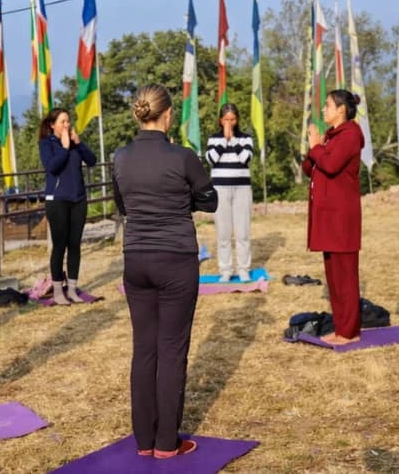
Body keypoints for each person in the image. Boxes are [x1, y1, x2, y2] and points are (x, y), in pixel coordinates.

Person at [113, 84, 217, 459]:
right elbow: (211, 200)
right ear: (168, 114)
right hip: (175, 258)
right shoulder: (183, 156)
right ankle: (166, 443)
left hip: (136, 258)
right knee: (171, 350)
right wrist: (182, 198)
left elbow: (122, 204)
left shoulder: (121, 157)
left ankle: (143, 440)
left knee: (144, 348)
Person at [301, 89, 365, 346]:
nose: (324, 110)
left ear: (341, 110)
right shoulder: (331, 136)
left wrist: (317, 148)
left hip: (342, 216)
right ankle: (341, 328)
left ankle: (350, 332)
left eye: (327, 105)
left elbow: (330, 165)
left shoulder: (350, 134)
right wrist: (313, 149)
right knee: (333, 277)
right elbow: (311, 168)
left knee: (345, 276)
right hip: (327, 216)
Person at [39, 107, 97, 305]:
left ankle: (72, 289)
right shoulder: (47, 144)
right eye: (63, 122)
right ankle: (57, 290)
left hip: (78, 200)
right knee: (59, 245)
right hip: (57, 200)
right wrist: (64, 148)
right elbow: (52, 167)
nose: (67, 125)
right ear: (52, 125)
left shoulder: (74, 145)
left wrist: (78, 144)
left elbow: (92, 161)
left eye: (68, 121)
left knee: (75, 245)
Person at [205, 103, 255, 282]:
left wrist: (232, 139)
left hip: (242, 188)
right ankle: (225, 269)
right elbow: (211, 159)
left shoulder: (246, 138)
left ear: (237, 120)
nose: (229, 123)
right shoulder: (213, 139)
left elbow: (246, 158)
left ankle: (243, 269)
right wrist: (224, 140)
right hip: (220, 188)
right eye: (226, 120)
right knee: (223, 232)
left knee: (242, 232)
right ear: (220, 120)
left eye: (232, 119)